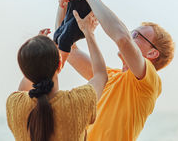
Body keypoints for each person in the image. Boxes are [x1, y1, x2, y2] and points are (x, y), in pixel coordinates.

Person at [66, 0, 175, 141]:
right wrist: (67, 0)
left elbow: (122, 39)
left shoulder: (149, 82)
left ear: (152, 53)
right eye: (131, 33)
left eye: (136, 35)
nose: (130, 37)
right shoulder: (109, 77)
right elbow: (67, 49)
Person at [6, 12, 108, 141]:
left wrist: (37, 52)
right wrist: (89, 33)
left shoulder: (14, 103)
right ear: (60, 63)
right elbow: (101, 75)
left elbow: (25, 86)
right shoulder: (77, 103)